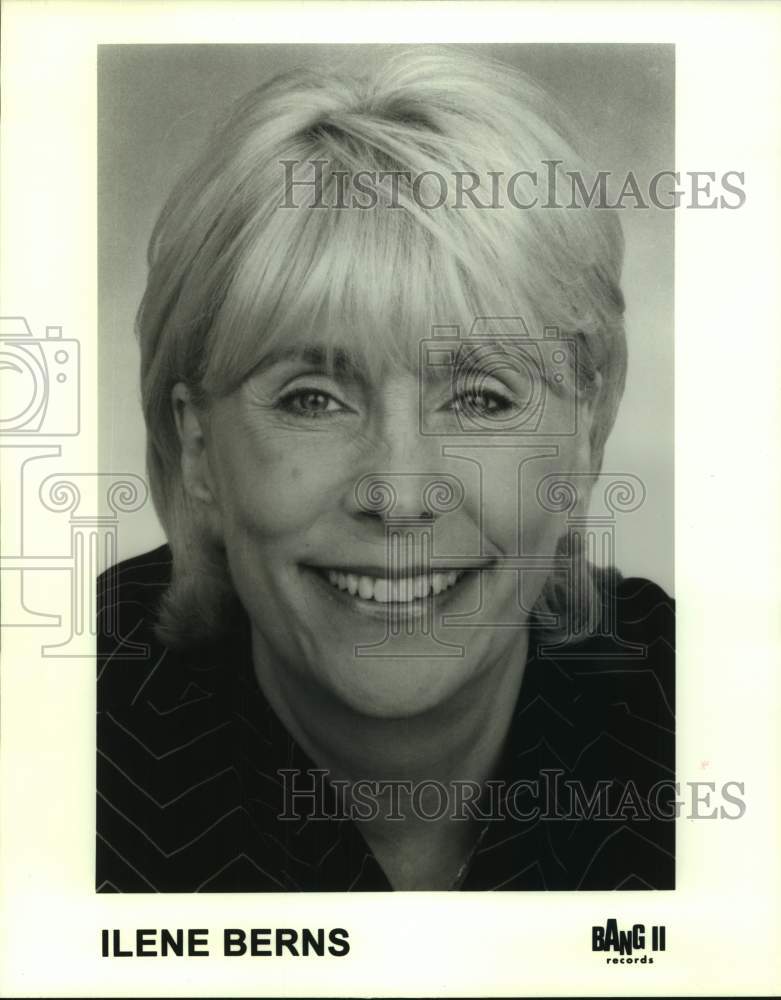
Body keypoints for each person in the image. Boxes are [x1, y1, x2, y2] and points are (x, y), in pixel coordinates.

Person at [97, 47, 674, 892]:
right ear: (198, 452)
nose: (400, 495)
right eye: (312, 399)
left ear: (585, 432)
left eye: (479, 398)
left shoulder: (718, 718)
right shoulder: (40, 745)